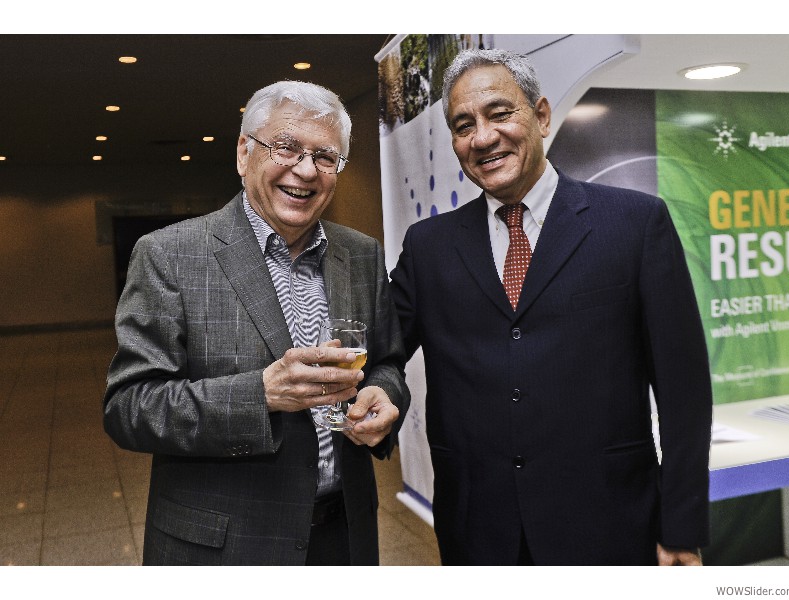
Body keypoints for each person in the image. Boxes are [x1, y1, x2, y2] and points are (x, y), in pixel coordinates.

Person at [389, 49, 712, 566]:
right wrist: (380, 392)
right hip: (479, 530)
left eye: (499, 114)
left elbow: (684, 391)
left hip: (610, 522)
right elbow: (382, 349)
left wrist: (681, 527)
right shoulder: (429, 247)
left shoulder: (634, 224)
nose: (483, 138)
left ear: (541, 116)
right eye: (463, 125)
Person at [103, 80, 410, 566]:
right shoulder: (169, 255)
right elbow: (130, 407)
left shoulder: (361, 254)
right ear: (244, 153)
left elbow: (388, 361)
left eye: (325, 157)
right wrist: (260, 395)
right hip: (226, 548)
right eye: (286, 147)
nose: (305, 170)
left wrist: (384, 394)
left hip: (344, 536)